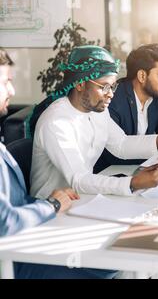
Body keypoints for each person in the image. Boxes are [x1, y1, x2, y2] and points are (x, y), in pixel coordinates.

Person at [0, 48, 116, 279]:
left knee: (111, 264)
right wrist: (51, 205)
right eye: (5, 82)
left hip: (30, 237)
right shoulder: (56, 119)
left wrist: (50, 202)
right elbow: (6, 222)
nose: (12, 90)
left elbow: (15, 204)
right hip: (16, 259)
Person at [30, 46, 158, 200]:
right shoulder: (56, 122)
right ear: (80, 84)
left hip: (82, 197)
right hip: (52, 209)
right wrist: (132, 183)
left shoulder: (98, 111)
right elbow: (79, 178)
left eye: (113, 86)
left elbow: (120, 144)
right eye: (104, 87)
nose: (110, 94)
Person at [95, 44, 158, 173]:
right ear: (142, 76)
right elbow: (112, 155)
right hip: (110, 175)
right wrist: (156, 146)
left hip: (140, 172)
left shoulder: (157, 99)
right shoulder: (112, 99)